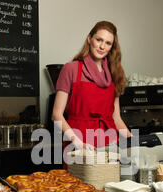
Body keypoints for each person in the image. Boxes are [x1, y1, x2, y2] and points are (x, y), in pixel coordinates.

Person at [52, 21, 132, 154]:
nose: (102, 46)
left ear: (112, 47)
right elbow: (56, 115)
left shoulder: (115, 73)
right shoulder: (71, 69)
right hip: (78, 140)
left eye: (108, 43)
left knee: (109, 175)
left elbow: (116, 118)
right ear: (89, 39)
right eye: (99, 40)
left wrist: (133, 141)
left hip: (110, 141)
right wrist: (76, 142)